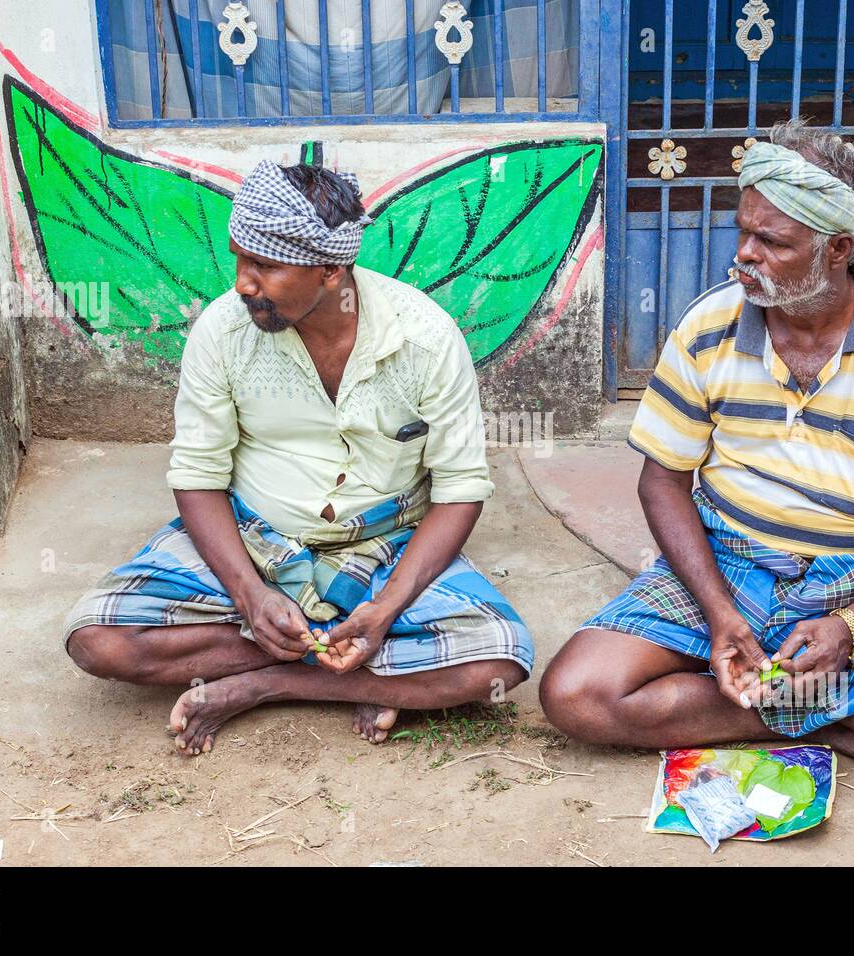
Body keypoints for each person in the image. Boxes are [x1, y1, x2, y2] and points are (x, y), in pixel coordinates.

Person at [540, 119, 854, 787]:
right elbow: (663, 484)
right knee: (576, 693)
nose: (744, 255)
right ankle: (838, 718)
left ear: (839, 247)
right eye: (744, 231)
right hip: (731, 562)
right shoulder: (709, 327)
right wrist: (718, 611)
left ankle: (778, 702)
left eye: (772, 241)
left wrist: (852, 625)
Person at [64, 160, 532, 754]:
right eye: (240, 259)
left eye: (265, 265)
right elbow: (197, 476)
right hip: (254, 536)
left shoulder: (425, 339)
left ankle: (268, 683)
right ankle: (366, 669)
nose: (243, 283)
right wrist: (250, 597)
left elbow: (461, 487)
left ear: (331, 269)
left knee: (498, 660)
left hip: (385, 544)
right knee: (98, 641)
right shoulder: (223, 332)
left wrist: (387, 607)